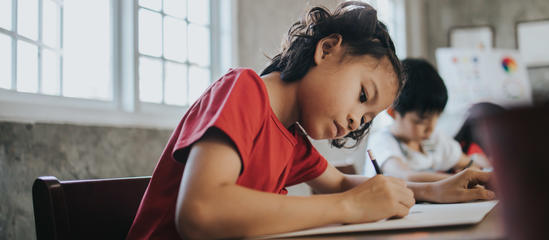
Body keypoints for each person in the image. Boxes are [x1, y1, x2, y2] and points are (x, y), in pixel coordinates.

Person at [127, 3, 495, 239]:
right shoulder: (243, 91)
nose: (356, 121)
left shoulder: (292, 139)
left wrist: (434, 190)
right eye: (362, 96)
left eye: (367, 119)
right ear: (327, 49)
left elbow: (342, 183)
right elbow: (200, 212)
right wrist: (348, 209)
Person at [365, 59, 490, 182]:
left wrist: (478, 170)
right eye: (421, 121)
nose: (431, 128)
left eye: (436, 118)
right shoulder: (382, 142)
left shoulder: (434, 140)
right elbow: (406, 177)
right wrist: (460, 180)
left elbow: (469, 163)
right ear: (393, 113)